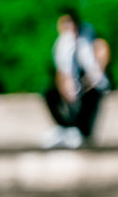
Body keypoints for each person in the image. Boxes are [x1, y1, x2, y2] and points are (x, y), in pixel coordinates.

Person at [42, 8, 110, 148]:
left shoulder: (90, 36)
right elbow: (62, 70)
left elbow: (101, 55)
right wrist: (65, 87)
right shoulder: (63, 43)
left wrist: (91, 80)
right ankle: (65, 128)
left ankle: (81, 131)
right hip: (75, 82)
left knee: (89, 95)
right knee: (50, 93)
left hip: (92, 81)